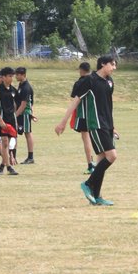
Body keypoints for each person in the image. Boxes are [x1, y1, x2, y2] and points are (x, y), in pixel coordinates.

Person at [55, 54, 118, 205]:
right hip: (96, 124)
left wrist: (113, 126)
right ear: (103, 64)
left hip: (107, 124)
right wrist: (62, 122)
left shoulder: (109, 82)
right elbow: (75, 102)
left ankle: (96, 197)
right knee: (112, 156)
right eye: (112, 64)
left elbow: (108, 106)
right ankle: (88, 184)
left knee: (102, 159)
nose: (114, 68)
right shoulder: (89, 81)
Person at [0, 66, 20, 175]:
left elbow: (16, 103)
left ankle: (2, 165)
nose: (11, 78)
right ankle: (9, 167)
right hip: (2, 119)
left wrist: (16, 117)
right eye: (9, 76)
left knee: (10, 143)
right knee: (4, 142)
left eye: (12, 76)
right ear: (3, 77)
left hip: (11, 119)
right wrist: (0, 120)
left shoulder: (13, 90)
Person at [70, 60, 95, 174]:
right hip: (96, 114)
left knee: (86, 139)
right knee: (95, 137)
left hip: (83, 115)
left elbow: (75, 98)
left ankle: (90, 164)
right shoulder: (96, 80)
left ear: (81, 70)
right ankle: (98, 161)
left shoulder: (79, 83)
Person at [14, 66, 36, 164]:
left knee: (28, 133)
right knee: (17, 133)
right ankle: (13, 156)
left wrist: (15, 115)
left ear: (23, 75)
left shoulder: (26, 87)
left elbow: (24, 104)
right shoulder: (21, 85)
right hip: (20, 113)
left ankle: (30, 157)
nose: (16, 76)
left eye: (18, 75)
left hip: (25, 113)